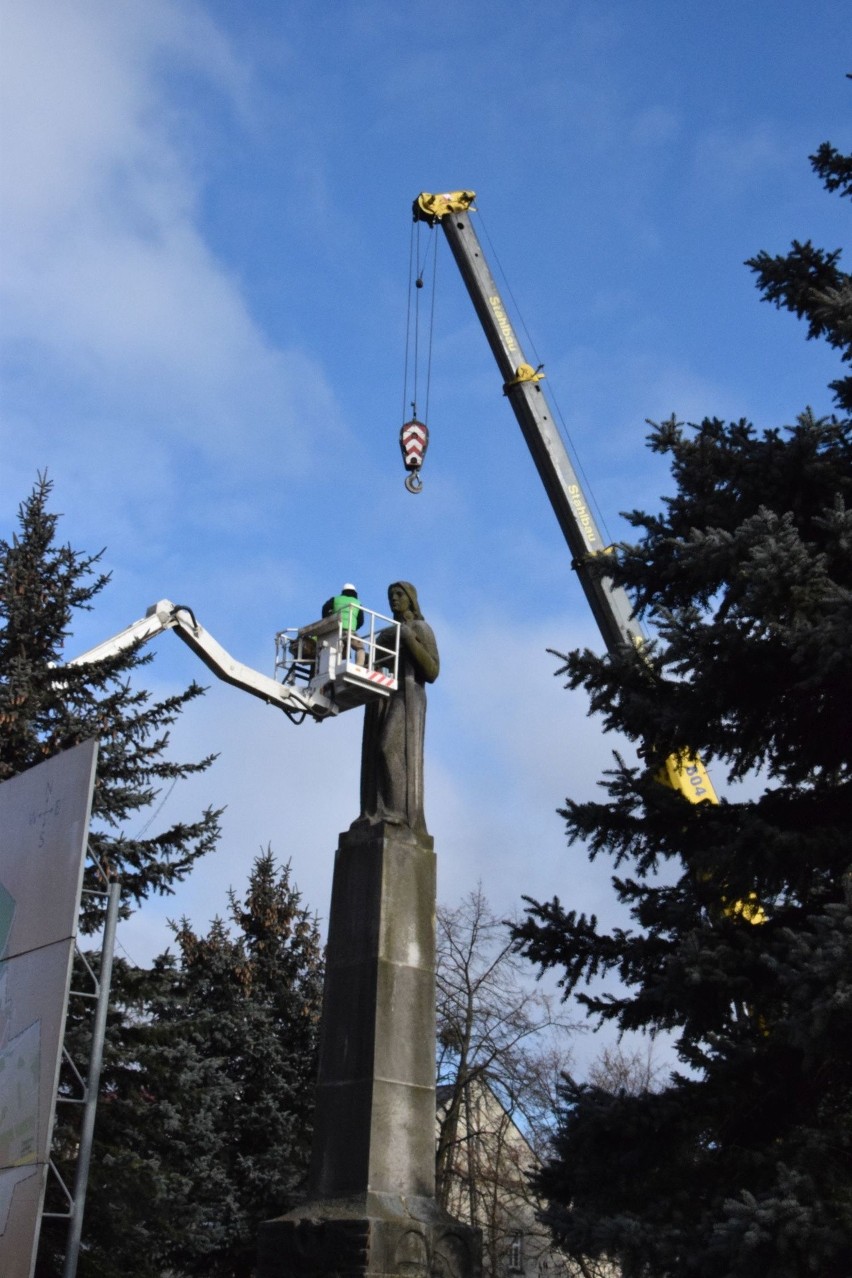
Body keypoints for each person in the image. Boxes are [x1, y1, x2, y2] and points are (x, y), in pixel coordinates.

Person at [357, 581, 439, 835]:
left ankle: (399, 813)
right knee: (374, 754)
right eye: (390, 594)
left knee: (388, 748)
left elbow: (433, 671)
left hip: (409, 693)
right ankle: (376, 811)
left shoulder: (421, 628)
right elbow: (376, 664)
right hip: (384, 696)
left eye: (399, 594)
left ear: (411, 599)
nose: (393, 598)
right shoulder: (385, 633)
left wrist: (409, 640)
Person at [322, 583, 365, 665]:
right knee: (360, 648)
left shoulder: (335, 599)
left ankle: (335, 665)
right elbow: (361, 621)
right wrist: (354, 627)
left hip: (336, 629)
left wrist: (327, 619)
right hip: (350, 631)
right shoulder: (358, 603)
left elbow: (325, 608)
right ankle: (359, 666)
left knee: (338, 647)